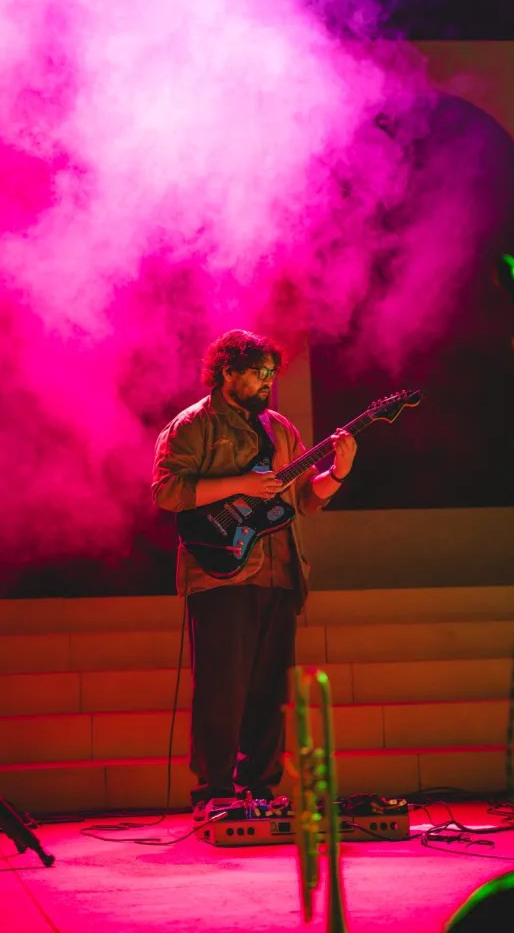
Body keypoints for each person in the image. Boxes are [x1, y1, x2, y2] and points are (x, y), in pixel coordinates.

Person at [151, 329, 357, 819]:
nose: (268, 381)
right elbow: (167, 492)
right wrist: (242, 483)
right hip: (221, 575)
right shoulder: (193, 425)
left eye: (271, 373)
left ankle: (262, 787)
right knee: (222, 687)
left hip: (279, 573)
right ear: (228, 372)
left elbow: (306, 500)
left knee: (270, 691)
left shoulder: (281, 429)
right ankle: (216, 790)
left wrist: (340, 474)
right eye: (258, 372)